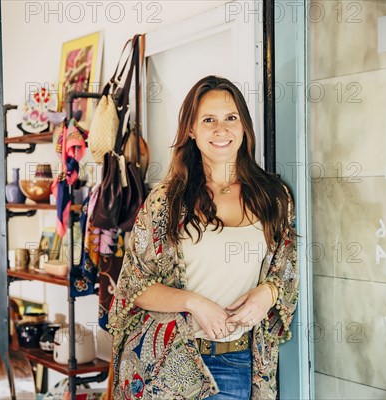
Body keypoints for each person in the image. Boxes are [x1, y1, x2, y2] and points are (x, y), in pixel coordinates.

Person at [107, 76, 299, 399]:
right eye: (208, 120)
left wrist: (267, 293)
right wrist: (193, 303)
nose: (221, 129)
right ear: (192, 130)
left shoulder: (274, 198)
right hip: (169, 366)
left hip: (240, 365)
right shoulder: (167, 201)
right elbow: (134, 286)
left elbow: (288, 270)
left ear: (244, 127)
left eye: (230, 118)